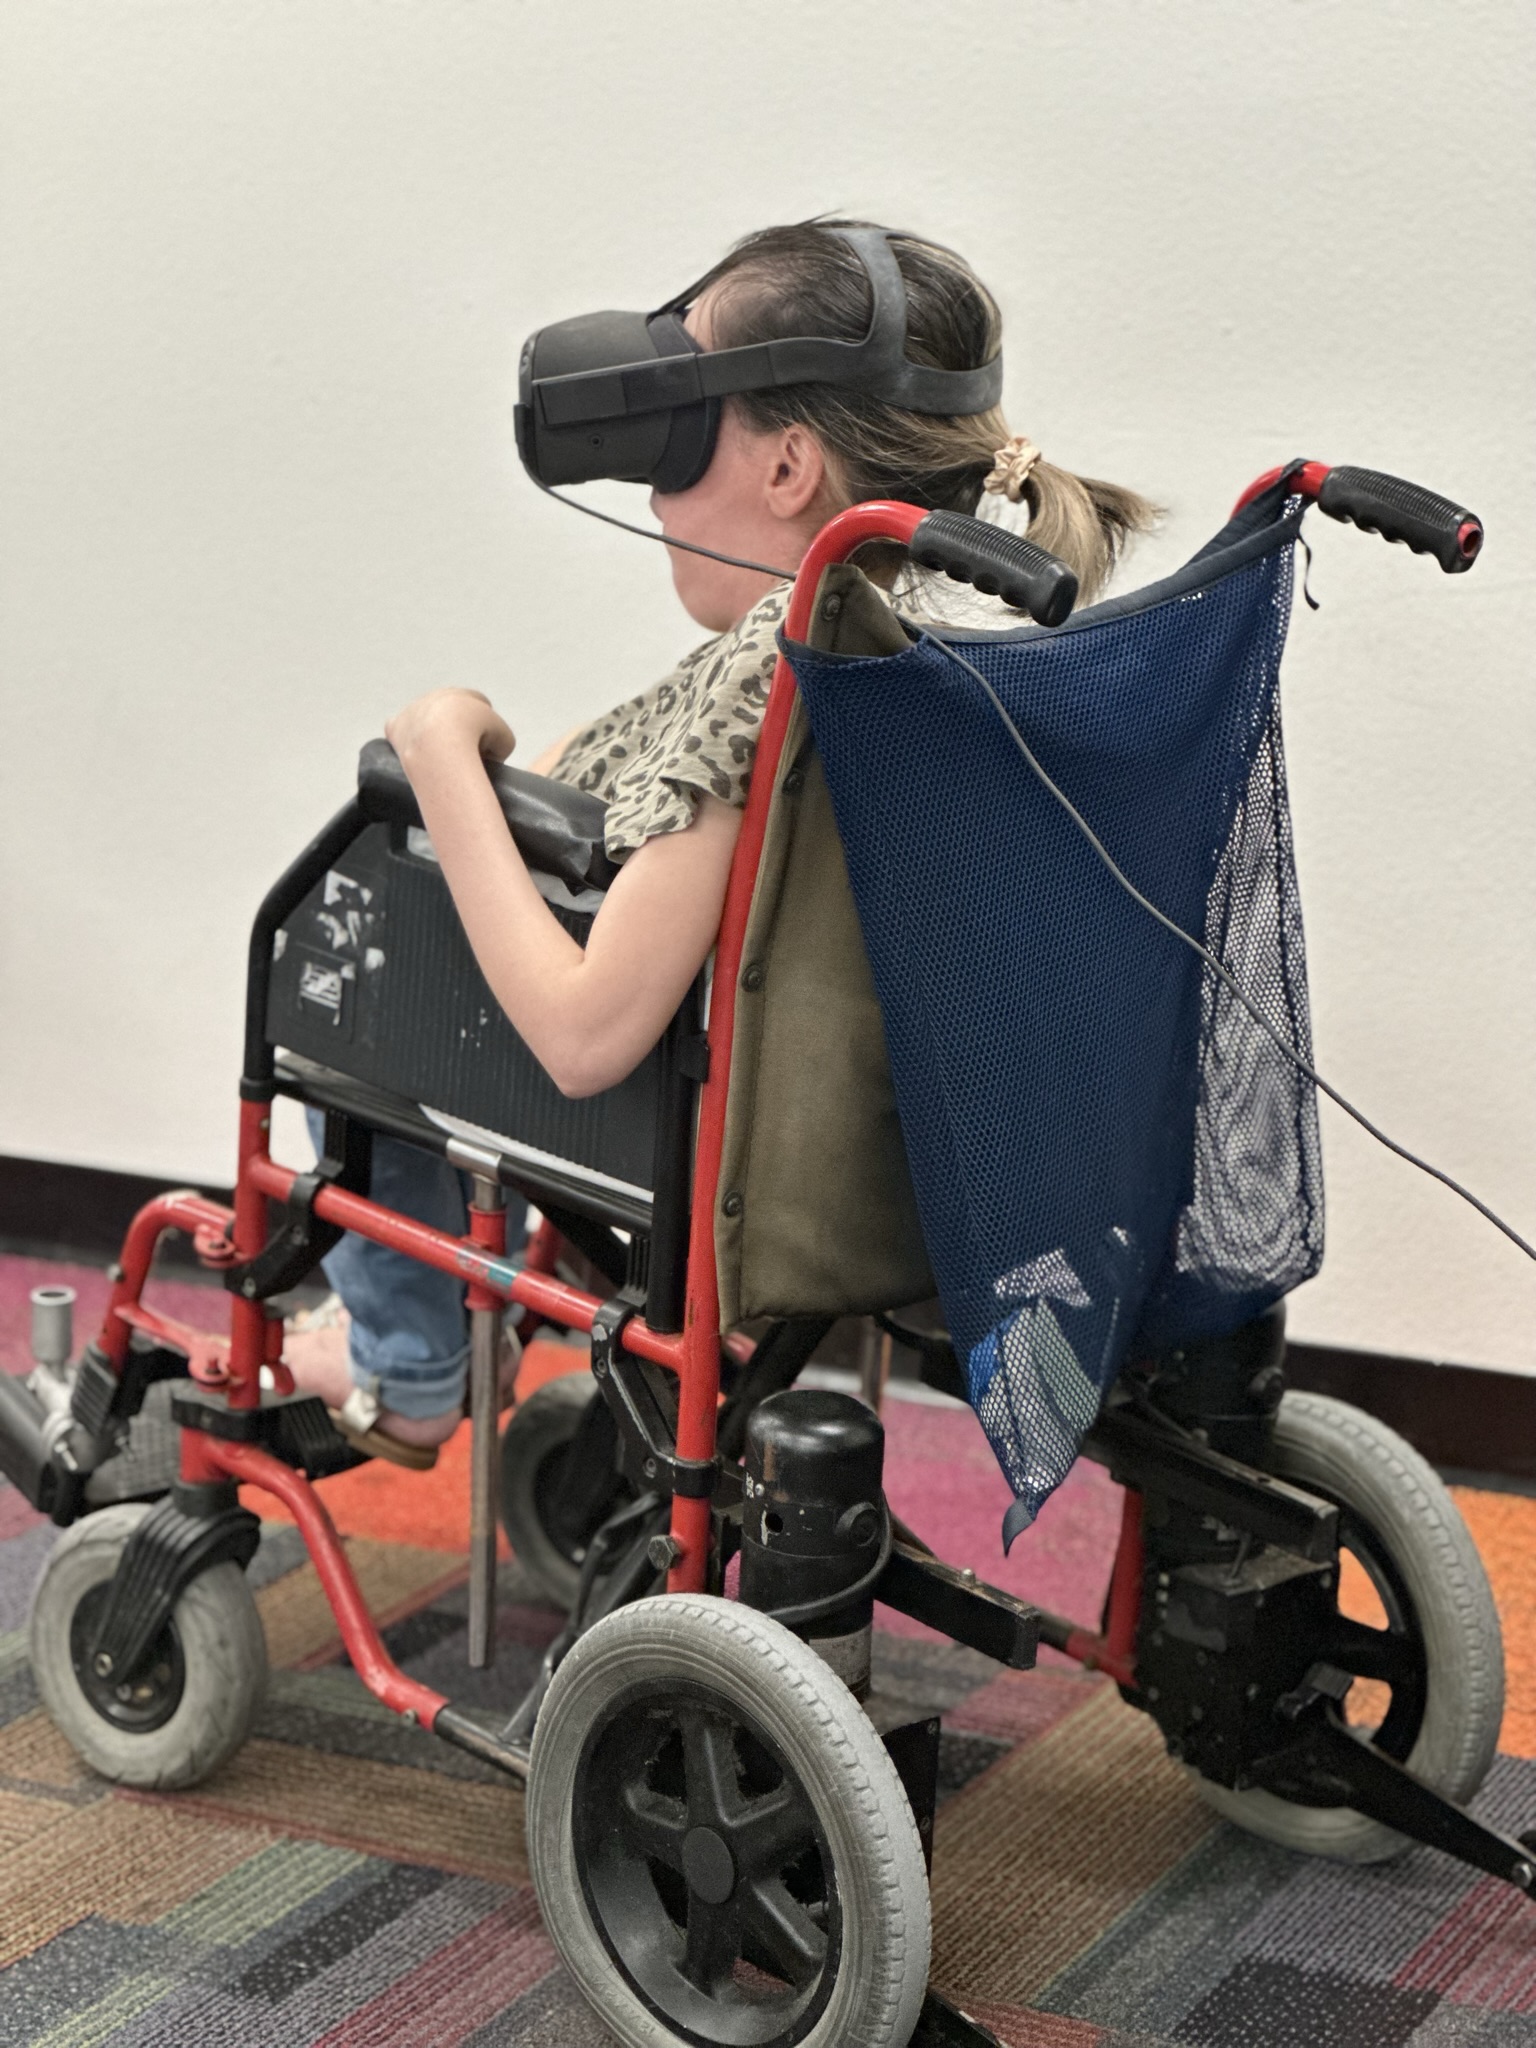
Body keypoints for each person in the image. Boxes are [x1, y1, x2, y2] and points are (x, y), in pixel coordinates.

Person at [286, 217, 1159, 1465]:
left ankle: (406, 1360)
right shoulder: (972, 616)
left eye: (679, 432)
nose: (651, 482)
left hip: (729, 1140)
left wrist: (435, 752)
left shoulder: (791, 669)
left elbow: (587, 1032)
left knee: (349, 966)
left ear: (792, 464)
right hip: (930, 1151)